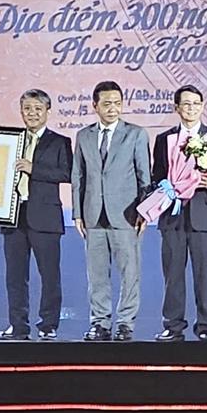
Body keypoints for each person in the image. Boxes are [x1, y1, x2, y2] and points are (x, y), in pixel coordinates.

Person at [151, 85, 207, 341]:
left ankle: (206, 326)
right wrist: (165, 187)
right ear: (176, 108)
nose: (191, 108)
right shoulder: (164, 139)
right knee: (172, 275)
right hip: (173, 216)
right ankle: (172, 326)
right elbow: (157, 174)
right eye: (186, 104)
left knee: (205, 275)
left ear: (203, 106)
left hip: (204, 215)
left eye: (196, 103)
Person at [71, 81, 149, 341]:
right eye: (107, 103)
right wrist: (77, 213)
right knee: (96, 276)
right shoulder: (83, 136)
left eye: (117, 103)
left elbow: (144, 176)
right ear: (95, 106)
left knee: (130, 274)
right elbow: (78, 176)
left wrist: (144, 212)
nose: (113, 108)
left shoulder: (136, 134)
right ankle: (100, 323)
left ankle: (125, 324)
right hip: (93, 214)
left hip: (127, 215)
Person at [0, 89, 72, 341]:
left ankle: (48, 325)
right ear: (21, 111)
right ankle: (17, 325)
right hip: (14, 216)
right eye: (27, 109)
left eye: (38, 109)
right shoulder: (11, 140)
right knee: (15, 277)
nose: (32, 113)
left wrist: (33, 168)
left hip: (45, 218)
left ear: (47, 111)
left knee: (49, 276)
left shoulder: (60, 142)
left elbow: (67, 173)